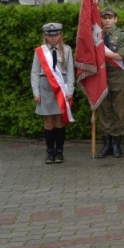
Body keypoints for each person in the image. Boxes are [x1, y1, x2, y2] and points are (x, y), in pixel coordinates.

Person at [30, 23, 74, 164]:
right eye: (50, 35)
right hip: (46, 88)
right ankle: (50, 152)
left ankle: (60, 152)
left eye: (56, 35)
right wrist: (36, 92)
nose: (53, 38)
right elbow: (35, 73)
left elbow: (71, 72)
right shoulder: (40, 51)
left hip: (61, 88)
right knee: (48, 121)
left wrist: (70, 90)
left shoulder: (66, 50)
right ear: (45, 36)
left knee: (59, 121)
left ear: (60, 35)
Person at [97, 7, 124, 158]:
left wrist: (102, 52)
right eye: (105, 18)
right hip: (101, 75)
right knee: (104, 110)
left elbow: (121, 56)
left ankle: (116, 144)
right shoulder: (97, 36)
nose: (107, 20)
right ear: (101, 20)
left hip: (117, 75)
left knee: (119, 110)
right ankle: (106, 143)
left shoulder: (122, 35)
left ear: (115, 19)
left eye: (110, 17)